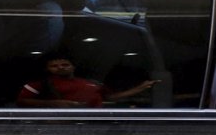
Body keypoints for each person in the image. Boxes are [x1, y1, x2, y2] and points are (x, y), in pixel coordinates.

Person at [16, 53, 160, 108]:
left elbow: (110, 97)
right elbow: (22, 101)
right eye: (54, 66)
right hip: (59, 126)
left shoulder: (92, 83)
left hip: (94, 123)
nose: (60, 68)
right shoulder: (40, 84)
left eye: (65, 64)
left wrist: (140, 88)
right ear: (48, 69)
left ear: (73, 67)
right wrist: (56, 103)